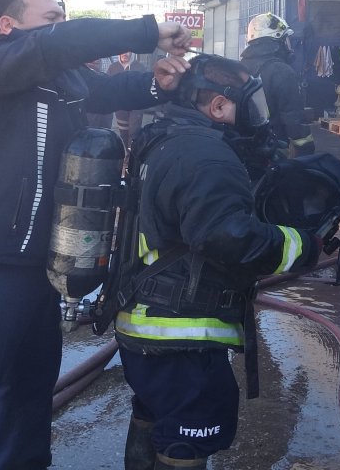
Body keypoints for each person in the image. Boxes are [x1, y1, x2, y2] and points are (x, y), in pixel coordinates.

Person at [0, 0, 192, 470]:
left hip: (39, 272)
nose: (58, 26)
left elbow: (106, 87)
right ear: (8, 24)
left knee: (28, 397)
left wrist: (155, 83)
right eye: (48, 18)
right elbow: (65, 42)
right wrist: (146, 32)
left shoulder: (66, 79)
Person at [112, 54, 322, 469]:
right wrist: (303, 245)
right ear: (220, 106)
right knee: (187, 438)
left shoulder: (164, 137)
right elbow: (228, 237)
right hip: (181, 330)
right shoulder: (207, 156)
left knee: (155, 413)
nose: (257, 117)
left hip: (146, 319)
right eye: (251, 105)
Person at [239, 13, 315, 156]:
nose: (288, 45)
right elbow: (293, 118)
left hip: (242, 148)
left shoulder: (240, 68)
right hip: (272, 149)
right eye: (286, 39)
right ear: (277, 41)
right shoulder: (282, 71)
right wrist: (307, 153)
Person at [107, 51, 149, 147]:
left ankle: (132, 155)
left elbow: (146, 85)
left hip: (136, 105)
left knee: (134, 131)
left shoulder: (140, 67)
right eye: (123, 51)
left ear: (132, 53)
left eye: (128, 51)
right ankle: (126, 153)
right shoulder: (113, 67)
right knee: (123, 132)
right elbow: (108, 85)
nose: (125, 54)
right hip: (120, 105)